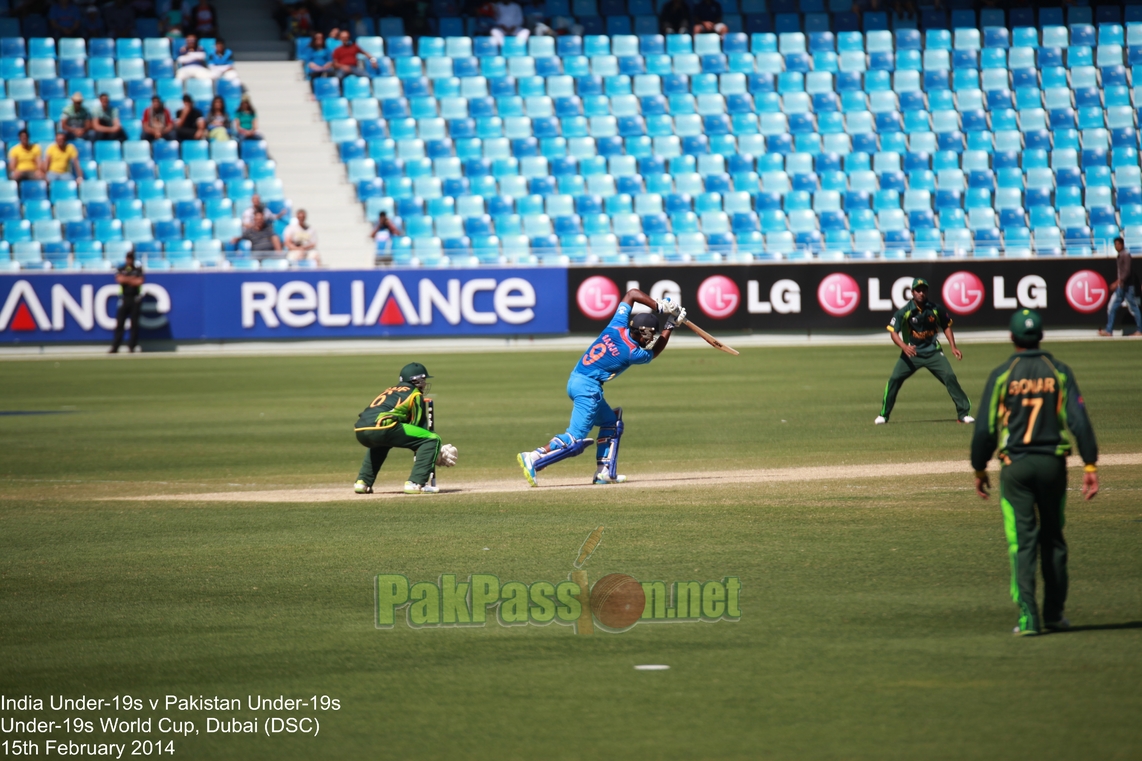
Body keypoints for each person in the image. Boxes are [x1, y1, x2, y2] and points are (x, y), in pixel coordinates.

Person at [971, 308, 1099, 636]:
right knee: (1054, 538)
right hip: (1052, 465)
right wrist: (1089, 463)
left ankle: (1029, 618)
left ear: (1012, 337)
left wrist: (979, 467)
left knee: (1022, 543)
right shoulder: (1058, 371)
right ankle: (1055, 613)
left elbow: (985, 429)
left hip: (1016, 467)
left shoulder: (1003, 374)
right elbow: (1079, 421)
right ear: (1041, 335)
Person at [517, 290, 684, 486]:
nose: (652, 337)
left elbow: (631, 295)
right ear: (644, 331)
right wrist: (670, 325)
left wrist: (659, 306)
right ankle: (534, 457)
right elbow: (654, 352)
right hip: (588, 389)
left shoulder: (617, 325)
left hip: (576, 379)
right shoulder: (632, 353)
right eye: (652, 333)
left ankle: (604, 472)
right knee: (575, 441)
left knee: (611, 423)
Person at [874, 277, 972, 425]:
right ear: (912, 292)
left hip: (933, 351)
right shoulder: (905, 311)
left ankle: (963, 414)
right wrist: (904, 346)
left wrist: (953, 346)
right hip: (912, 353)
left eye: (923, 290)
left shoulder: (935, 309)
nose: (921, 293)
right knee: (894, 379)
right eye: (918, 290)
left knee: (949, 376)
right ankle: (883, 415)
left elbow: (946, 325)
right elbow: (893, 332)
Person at [352, 362, 457, 495]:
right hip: (384, 426)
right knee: (432, 439)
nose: (425, 384)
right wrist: (434, 452)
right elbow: (418, 427)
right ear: (417, 380)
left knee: (381, 444)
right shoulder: (414, 394)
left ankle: (363, 482)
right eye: (423, 380)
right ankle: (416, 483)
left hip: (361, 428)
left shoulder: (390, 390)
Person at [1099, 237, 1142, 337]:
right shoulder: (1120, 255)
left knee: (1133, 308)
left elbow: (1126, 272)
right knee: (1112, 307)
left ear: (1122, 244)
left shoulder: (1125, 255)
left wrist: (1117, 282)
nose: (1116, 246)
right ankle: (1109, 330)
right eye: (1115, 244)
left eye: (1118, 244)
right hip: (1122, 287)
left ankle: (1140, 330)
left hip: (1127, 287)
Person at [110, 250, 145, 354]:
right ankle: (115, 347)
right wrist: (132, 279)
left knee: (134, 325)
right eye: (128, 258)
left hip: (135, 299)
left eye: (131, 258)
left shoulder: (138, 269)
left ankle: (132, 347)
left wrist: (127, 279)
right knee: (120, 324)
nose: (129, 260)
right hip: (124, 299)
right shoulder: (121, 268)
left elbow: (139, 281)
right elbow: (119, 279)